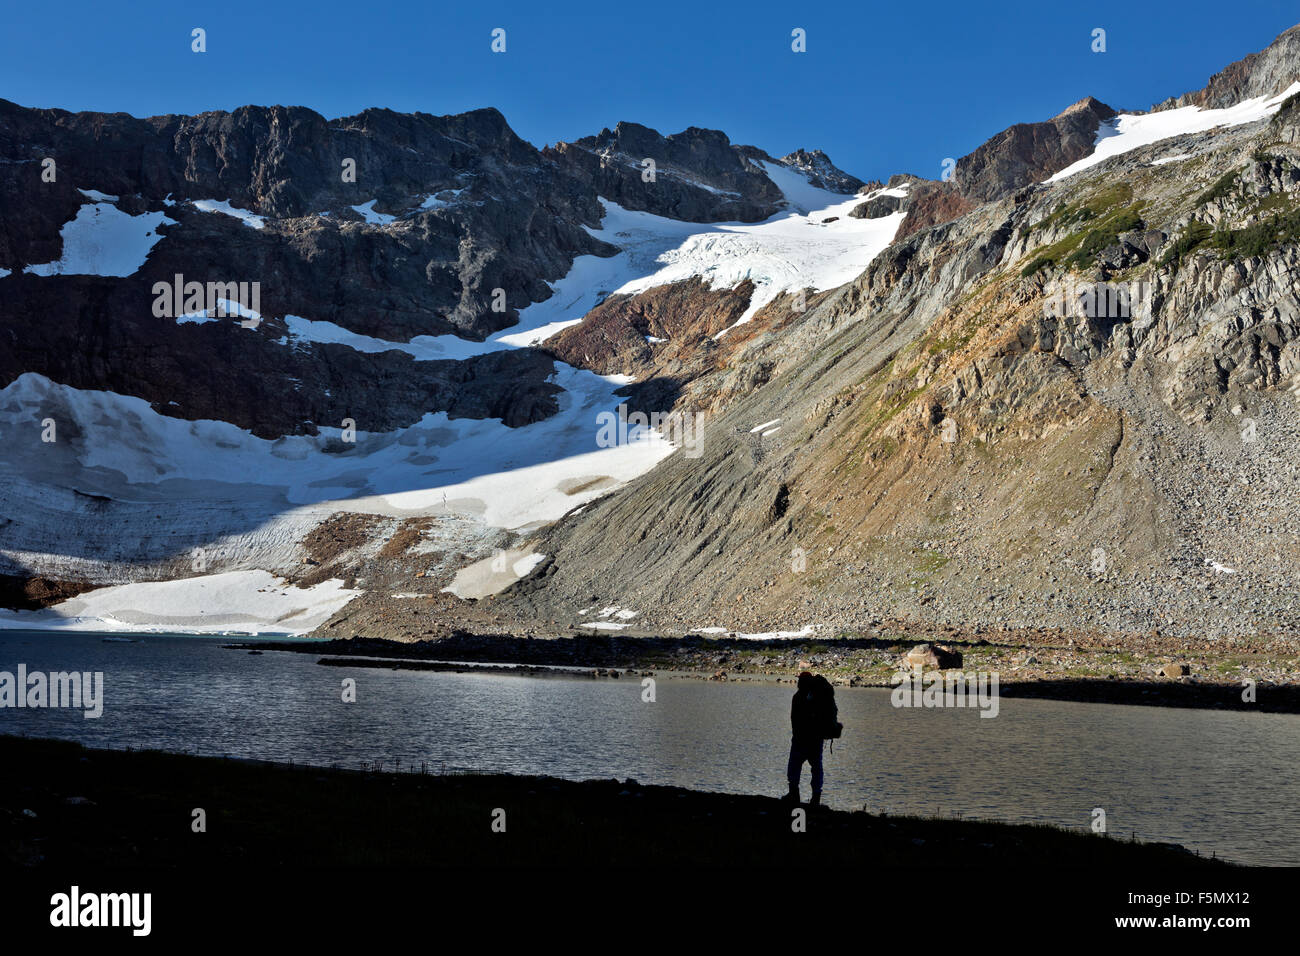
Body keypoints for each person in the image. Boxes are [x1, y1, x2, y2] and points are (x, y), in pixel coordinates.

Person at [784, 670, 834, 806]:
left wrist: (797, 735)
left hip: (801, 740)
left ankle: (794, 794)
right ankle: (816, 798)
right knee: (817, 768)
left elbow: (794, 719)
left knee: (794, 766)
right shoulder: (819, 697)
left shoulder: (798, 697)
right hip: (816, 740)